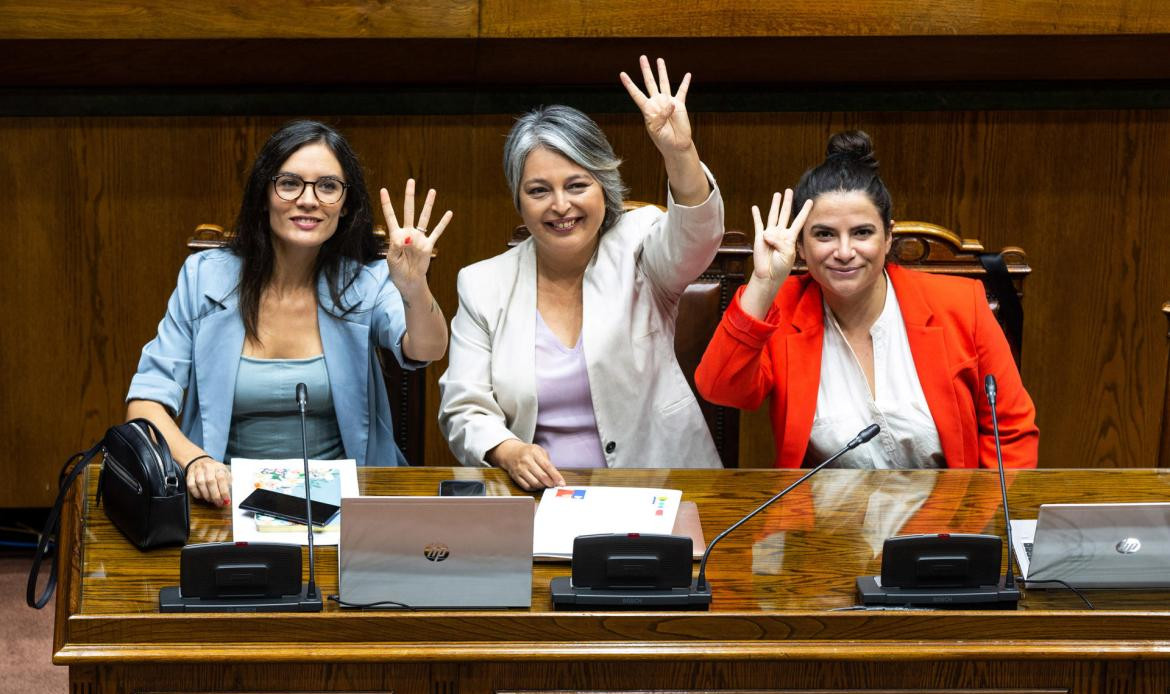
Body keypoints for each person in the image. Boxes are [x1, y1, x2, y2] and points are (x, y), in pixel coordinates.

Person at [126, 119, 451, 505]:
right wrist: (196, 461)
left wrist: (414, 285)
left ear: (346, 206)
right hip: (224, 502)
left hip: (349, 502)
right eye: (290, 183)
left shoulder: (366, 281)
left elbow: (427, 349)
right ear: (264, 193)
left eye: (328, 186)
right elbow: (145, 403)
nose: (309, 199)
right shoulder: (204, 278)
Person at [438, 56, 724, 490]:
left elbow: (697, 238)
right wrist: (507, 449)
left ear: (603, 188)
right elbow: (463, 407)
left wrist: (678, 152)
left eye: (577, 185)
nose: (560, 205)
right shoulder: (482, 283)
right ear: (519, 201)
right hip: (539, 496)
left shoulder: (640, 241)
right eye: (538, 190)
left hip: (662, 483)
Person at [695, 130, 1038, 469]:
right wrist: (763, 284)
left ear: (888, 236)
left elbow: (1012, 433)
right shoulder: (782, 309)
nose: (844, 252)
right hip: (827, 518)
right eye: (824, 234)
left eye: (862, 232)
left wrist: (984, 518)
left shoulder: (961, 304)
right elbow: (719, 388)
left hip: (946, 518)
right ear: (800, 245)